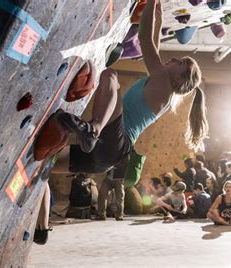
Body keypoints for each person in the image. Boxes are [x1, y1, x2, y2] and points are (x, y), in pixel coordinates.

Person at [51, 0, 207, 176]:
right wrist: (158, 20)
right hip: (108, 157)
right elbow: (153, 46)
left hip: (115, 141)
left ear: (179, 77)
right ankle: (93, 131)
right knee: (44, 165)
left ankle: (94, 128)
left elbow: (145, 40)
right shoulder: (162, 90)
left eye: (180, 63)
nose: (175, 59)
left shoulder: (163, 82)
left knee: (110, 76)